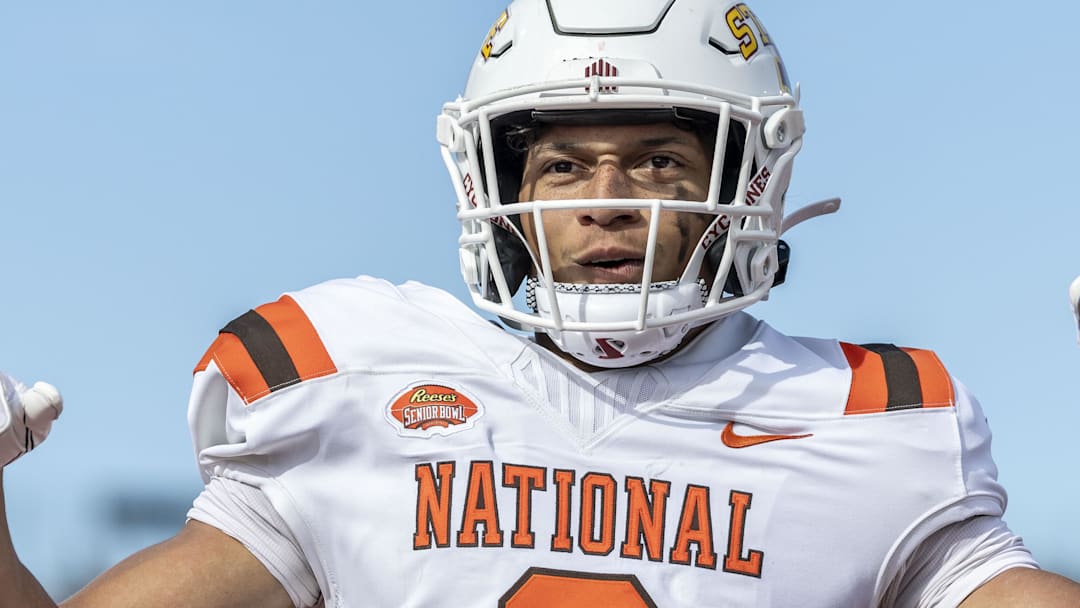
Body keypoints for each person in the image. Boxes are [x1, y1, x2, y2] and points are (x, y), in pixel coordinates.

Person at [2, 0, 1080, 605]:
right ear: (499, 190)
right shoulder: (357, 382)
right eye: (563, 165)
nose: (606, 199)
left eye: (658, 161)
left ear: (747, 181)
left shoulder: (874, 421)